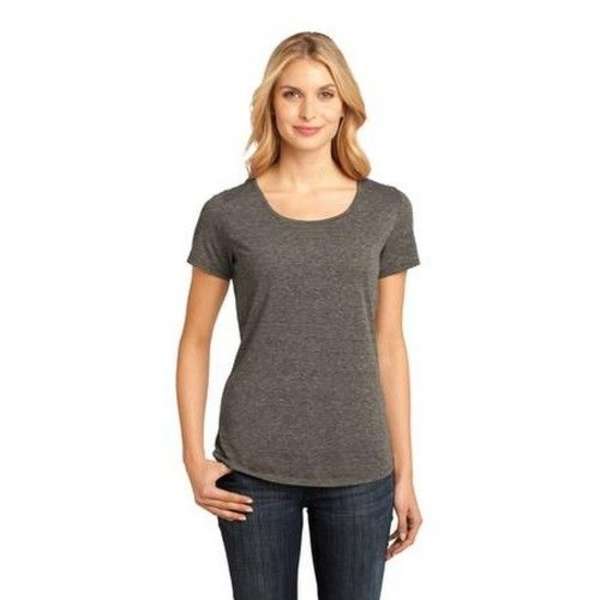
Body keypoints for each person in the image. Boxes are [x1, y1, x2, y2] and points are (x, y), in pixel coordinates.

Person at [176, 31, 423, 600]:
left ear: (345, 106)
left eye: (324, 94)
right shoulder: (228, 213)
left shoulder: (386, 209)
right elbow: (195, 340)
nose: (308, 111)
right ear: (271, 103)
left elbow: (389, 343)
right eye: (292, 94)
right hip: (252, 467)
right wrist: (193, 458)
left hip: (360, 465)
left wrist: (405, 472)